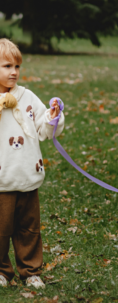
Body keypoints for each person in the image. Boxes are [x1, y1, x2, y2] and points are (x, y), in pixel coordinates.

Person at [0, 39, 65, 288]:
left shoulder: (27, 97)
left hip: (27, 175)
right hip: (2, 179)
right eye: (7, 66)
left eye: (17, 66)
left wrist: (52, 116)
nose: (14, 71)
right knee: (1, 229)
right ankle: (2, 271)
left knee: (29, 229)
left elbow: (43, 128)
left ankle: (30, 271)